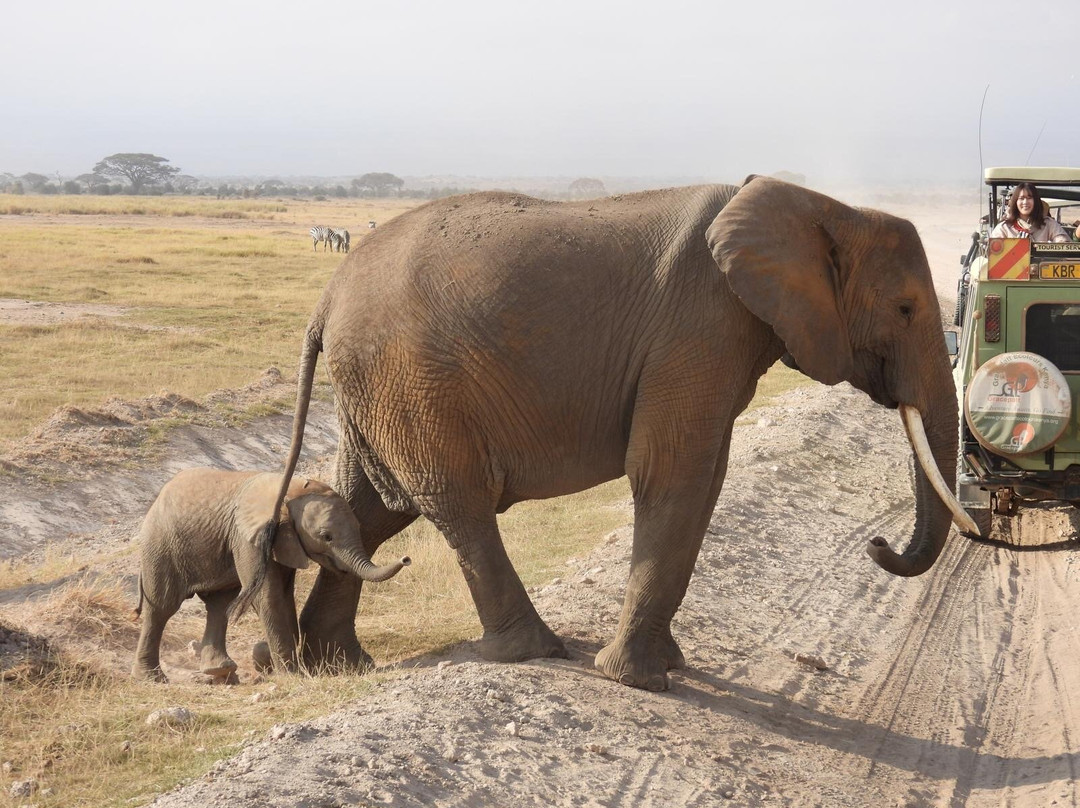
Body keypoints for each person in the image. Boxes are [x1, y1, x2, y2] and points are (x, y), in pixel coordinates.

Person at [991, 182, 1071, 242]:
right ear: (1016, 202)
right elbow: (994, 253)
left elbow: (1063, 245)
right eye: (1021, 198)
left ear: (1035, 201)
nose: (1025, 202)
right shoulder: (1004, 227)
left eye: (1029, 198)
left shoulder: (1048, 224)